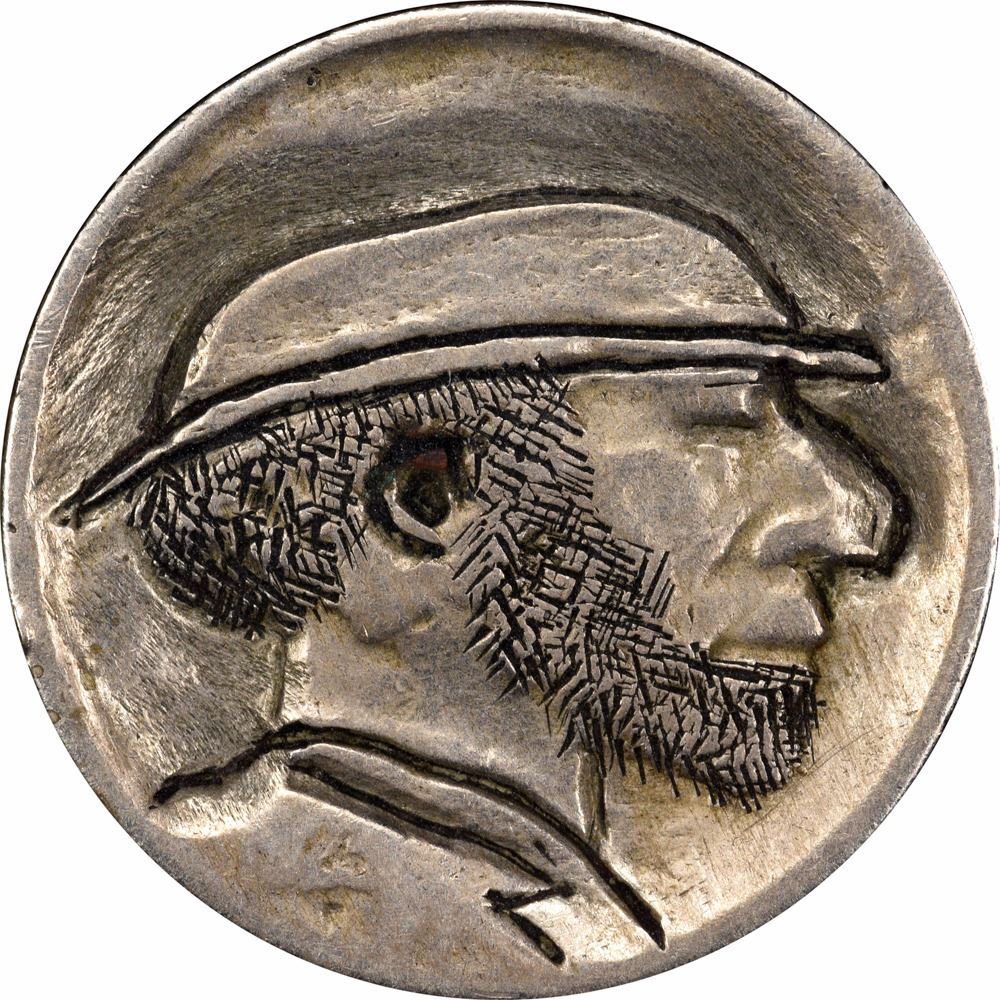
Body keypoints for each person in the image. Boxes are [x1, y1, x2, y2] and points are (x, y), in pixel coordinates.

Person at [63, 197, 903, 965]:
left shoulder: (552, 896)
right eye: (726, 428)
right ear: (426, 502)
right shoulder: (294, 902)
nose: (859, 518)